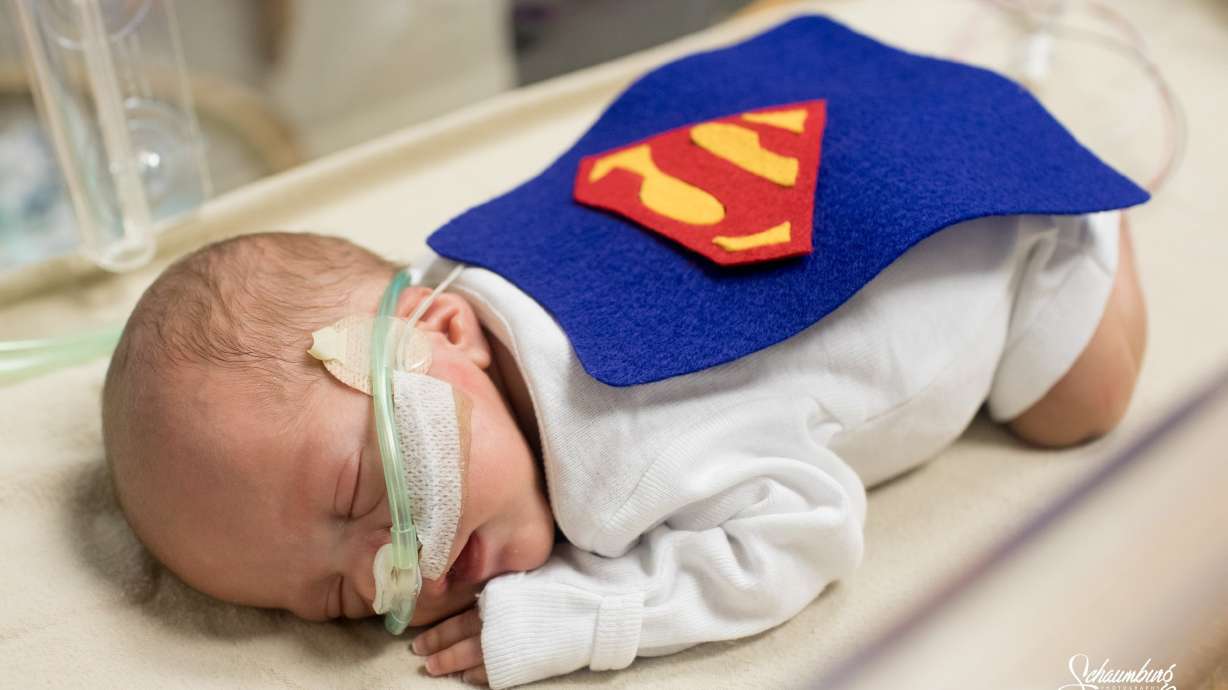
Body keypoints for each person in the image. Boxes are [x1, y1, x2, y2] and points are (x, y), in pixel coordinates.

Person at [101, 202, 1145, 686]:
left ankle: (1102, 225)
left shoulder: (625, 452)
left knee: (1073, 404)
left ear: (446, 330)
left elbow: (813, 530)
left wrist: (605, 613)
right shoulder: (468, 300)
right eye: (342, 598)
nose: (396, 567)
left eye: (360, 488)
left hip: (994, 243)